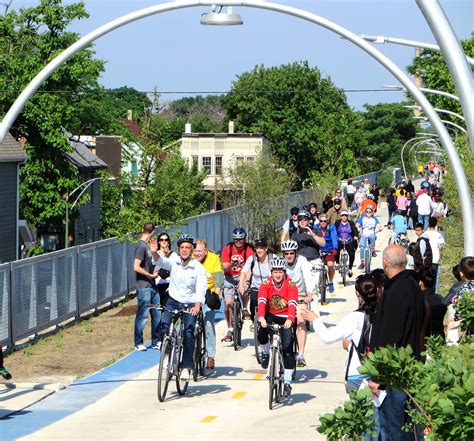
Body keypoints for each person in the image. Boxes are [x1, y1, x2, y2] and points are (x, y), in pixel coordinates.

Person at [369, 245, 426, 440]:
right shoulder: (413, 287)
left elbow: (390, 336)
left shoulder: (395, 293)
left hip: (394, 374)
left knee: (394, 431)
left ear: (385, 264)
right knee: (409, 430)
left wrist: (378, 375)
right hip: (411, 367)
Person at [301, 274, 378, 391]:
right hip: (378, 374)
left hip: (357, 373)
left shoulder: (354, 318)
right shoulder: (384, 314)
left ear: (357, 294)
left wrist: (315, 320)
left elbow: (328, 337)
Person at [151, 234, 207, 382]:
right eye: (182, 247)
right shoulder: (174, 261)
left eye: (187, 247)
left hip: (190, 303)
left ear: (192, 250)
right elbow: (161, 261)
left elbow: (201, 287)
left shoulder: (198, 268)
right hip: (174, 300)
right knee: (163, 325)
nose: (184, 250)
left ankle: (186, 367)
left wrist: (197, 305)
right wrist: (154, 252)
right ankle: (168, 350)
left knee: (189, 333)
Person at [257, 257, 298, 398]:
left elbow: (292, 303)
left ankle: (287, 381)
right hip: (271, 315)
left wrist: (290, 319)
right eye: (275, 272)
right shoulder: (266, 283)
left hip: (286, 316)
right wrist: (261, 317)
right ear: (271, 272)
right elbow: (262, 300)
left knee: (287, 348)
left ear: (284, 272)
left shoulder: (291, 284)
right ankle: (266, 351)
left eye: (280, 272)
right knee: (261, 332)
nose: (278, 275)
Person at [281, 240, 314, 367]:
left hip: (300, 296)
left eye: (291, 253)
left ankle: (300, 354)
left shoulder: (302, 260)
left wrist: (309, 294)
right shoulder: (281, 263)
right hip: (284, 297)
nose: (289, 256)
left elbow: (307, 277)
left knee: (300, 321)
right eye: (286, 254)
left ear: (296, 253)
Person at [193, 239, 224, 370]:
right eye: (195, 251)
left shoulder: (214, 259)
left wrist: (216, 295)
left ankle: (210, 355)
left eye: (199, 251)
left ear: (206, 251)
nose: (196, 254)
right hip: (192, 295)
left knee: (209, 324)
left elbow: (218, 279)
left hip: (208, 294)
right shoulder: (189, 258)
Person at [221, 227, 254, 342]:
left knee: (244, 289)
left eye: (241, 239)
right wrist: (232, 264)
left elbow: (250, 267)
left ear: (244, 239)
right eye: (236, 240)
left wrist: (246, 282)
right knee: (228, 304)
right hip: (229, 277)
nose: (238, 242)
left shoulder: (249, 249)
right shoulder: (227, 249)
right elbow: (224, 267)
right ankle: (230, 329)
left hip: (243, 275)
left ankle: (245, 307)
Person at [133, 222, 160, 351]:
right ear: (153, 232)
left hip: (152, 285)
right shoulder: (141, 246)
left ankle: (156, 341)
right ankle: (138, 342)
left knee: (157, 312)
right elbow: (136, 267)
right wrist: (150, 275)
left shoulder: (148, 246)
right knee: (143, 314)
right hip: (144, 286)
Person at [239, 239, 273, 326]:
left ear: (266, 249)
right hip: (255, 287)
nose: (259, 250)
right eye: (257, 248)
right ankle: (254, 322)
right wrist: (241, 285)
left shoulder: (272, 258)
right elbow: (244, 272)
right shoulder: (252, 259)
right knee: (253, 307)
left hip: (269, 288)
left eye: (261, 248)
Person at [416, 267, 446, 340]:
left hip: (424, 340)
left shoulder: (419, 301)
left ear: (420, 282)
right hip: (439, 337)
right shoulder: (440, 298)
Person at [318, 213, 339, 294]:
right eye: (321, 221)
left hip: (329, 249)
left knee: (330, 265)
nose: (323, 222)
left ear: (327, 221)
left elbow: (334, 238)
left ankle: (330, 281)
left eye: (325, 221)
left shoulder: (331, 228)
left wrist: (335, 248)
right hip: (319, 250)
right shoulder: (316, 227)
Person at [335, 210, 359, 278]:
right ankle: (337, 263)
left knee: (352, 253)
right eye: (343, 215)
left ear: (347, 216)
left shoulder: (350, 223)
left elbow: (355, 230)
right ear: (341, 216)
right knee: (336, 249)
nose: (344, 217)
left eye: (345, 215)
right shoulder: (337, 222)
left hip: (349, 240)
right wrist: (335, 237)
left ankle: (350, 268)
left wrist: (356, 236)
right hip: (340, 239)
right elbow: (334, 230)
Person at [154, 232, 175, 308]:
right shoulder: (155, 254)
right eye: (161, 239)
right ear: (159, 241)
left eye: (166, 240)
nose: (164, 241)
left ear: (168, 241)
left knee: (168, 307)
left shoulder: (173, 255)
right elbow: (153, 270)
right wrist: (162, 255)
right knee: (158, 308)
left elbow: (175, 270)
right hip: (157, 284)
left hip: (169, 284)